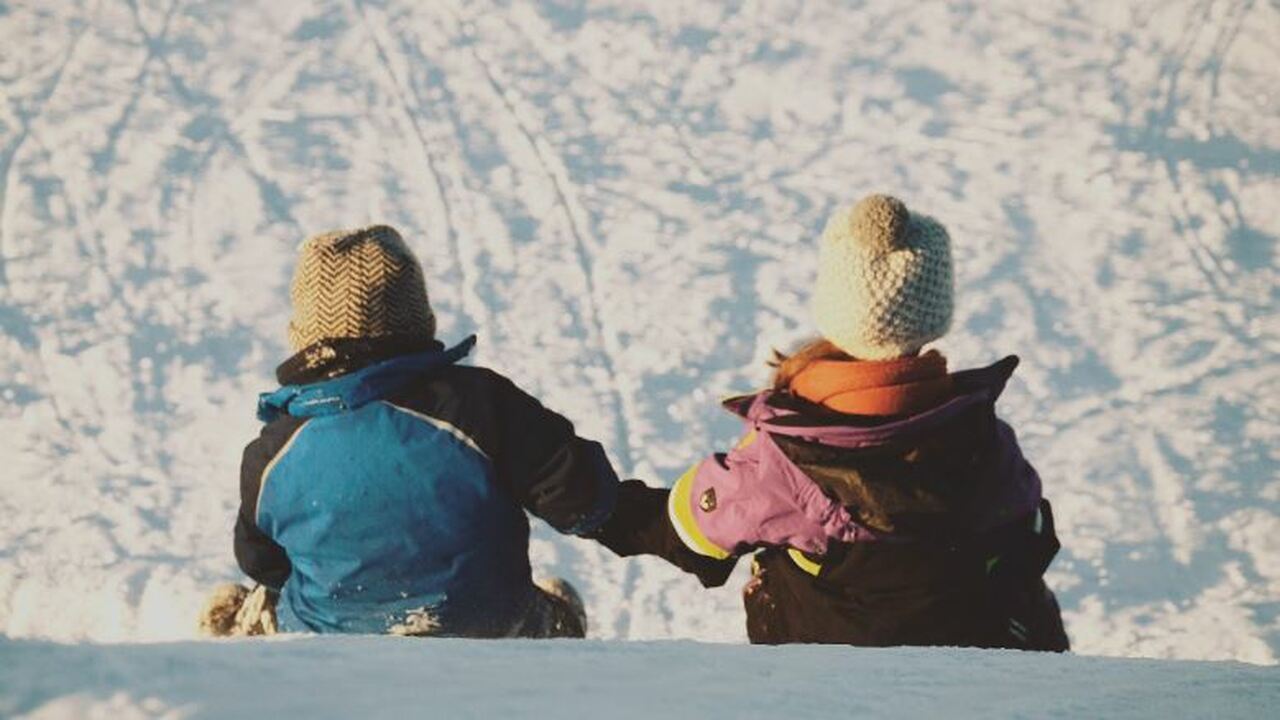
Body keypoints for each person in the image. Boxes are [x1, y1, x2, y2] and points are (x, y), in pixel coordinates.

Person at [200, 225, 728, 638]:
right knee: (552, 603)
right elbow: (584, 500)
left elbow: (262, 561)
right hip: (488, 629)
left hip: (331, 639)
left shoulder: (273, 449)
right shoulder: (479, 405)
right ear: (417, 320)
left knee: (273, 595)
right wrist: (686, 530)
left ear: (306, 336)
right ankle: (557, 627)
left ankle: (248, 625)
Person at [665, 195, 1070, 650]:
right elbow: (1029, 534)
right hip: (967, 653)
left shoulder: (779, 460)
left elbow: (692, 525)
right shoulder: (986, 442)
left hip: (816, 655)